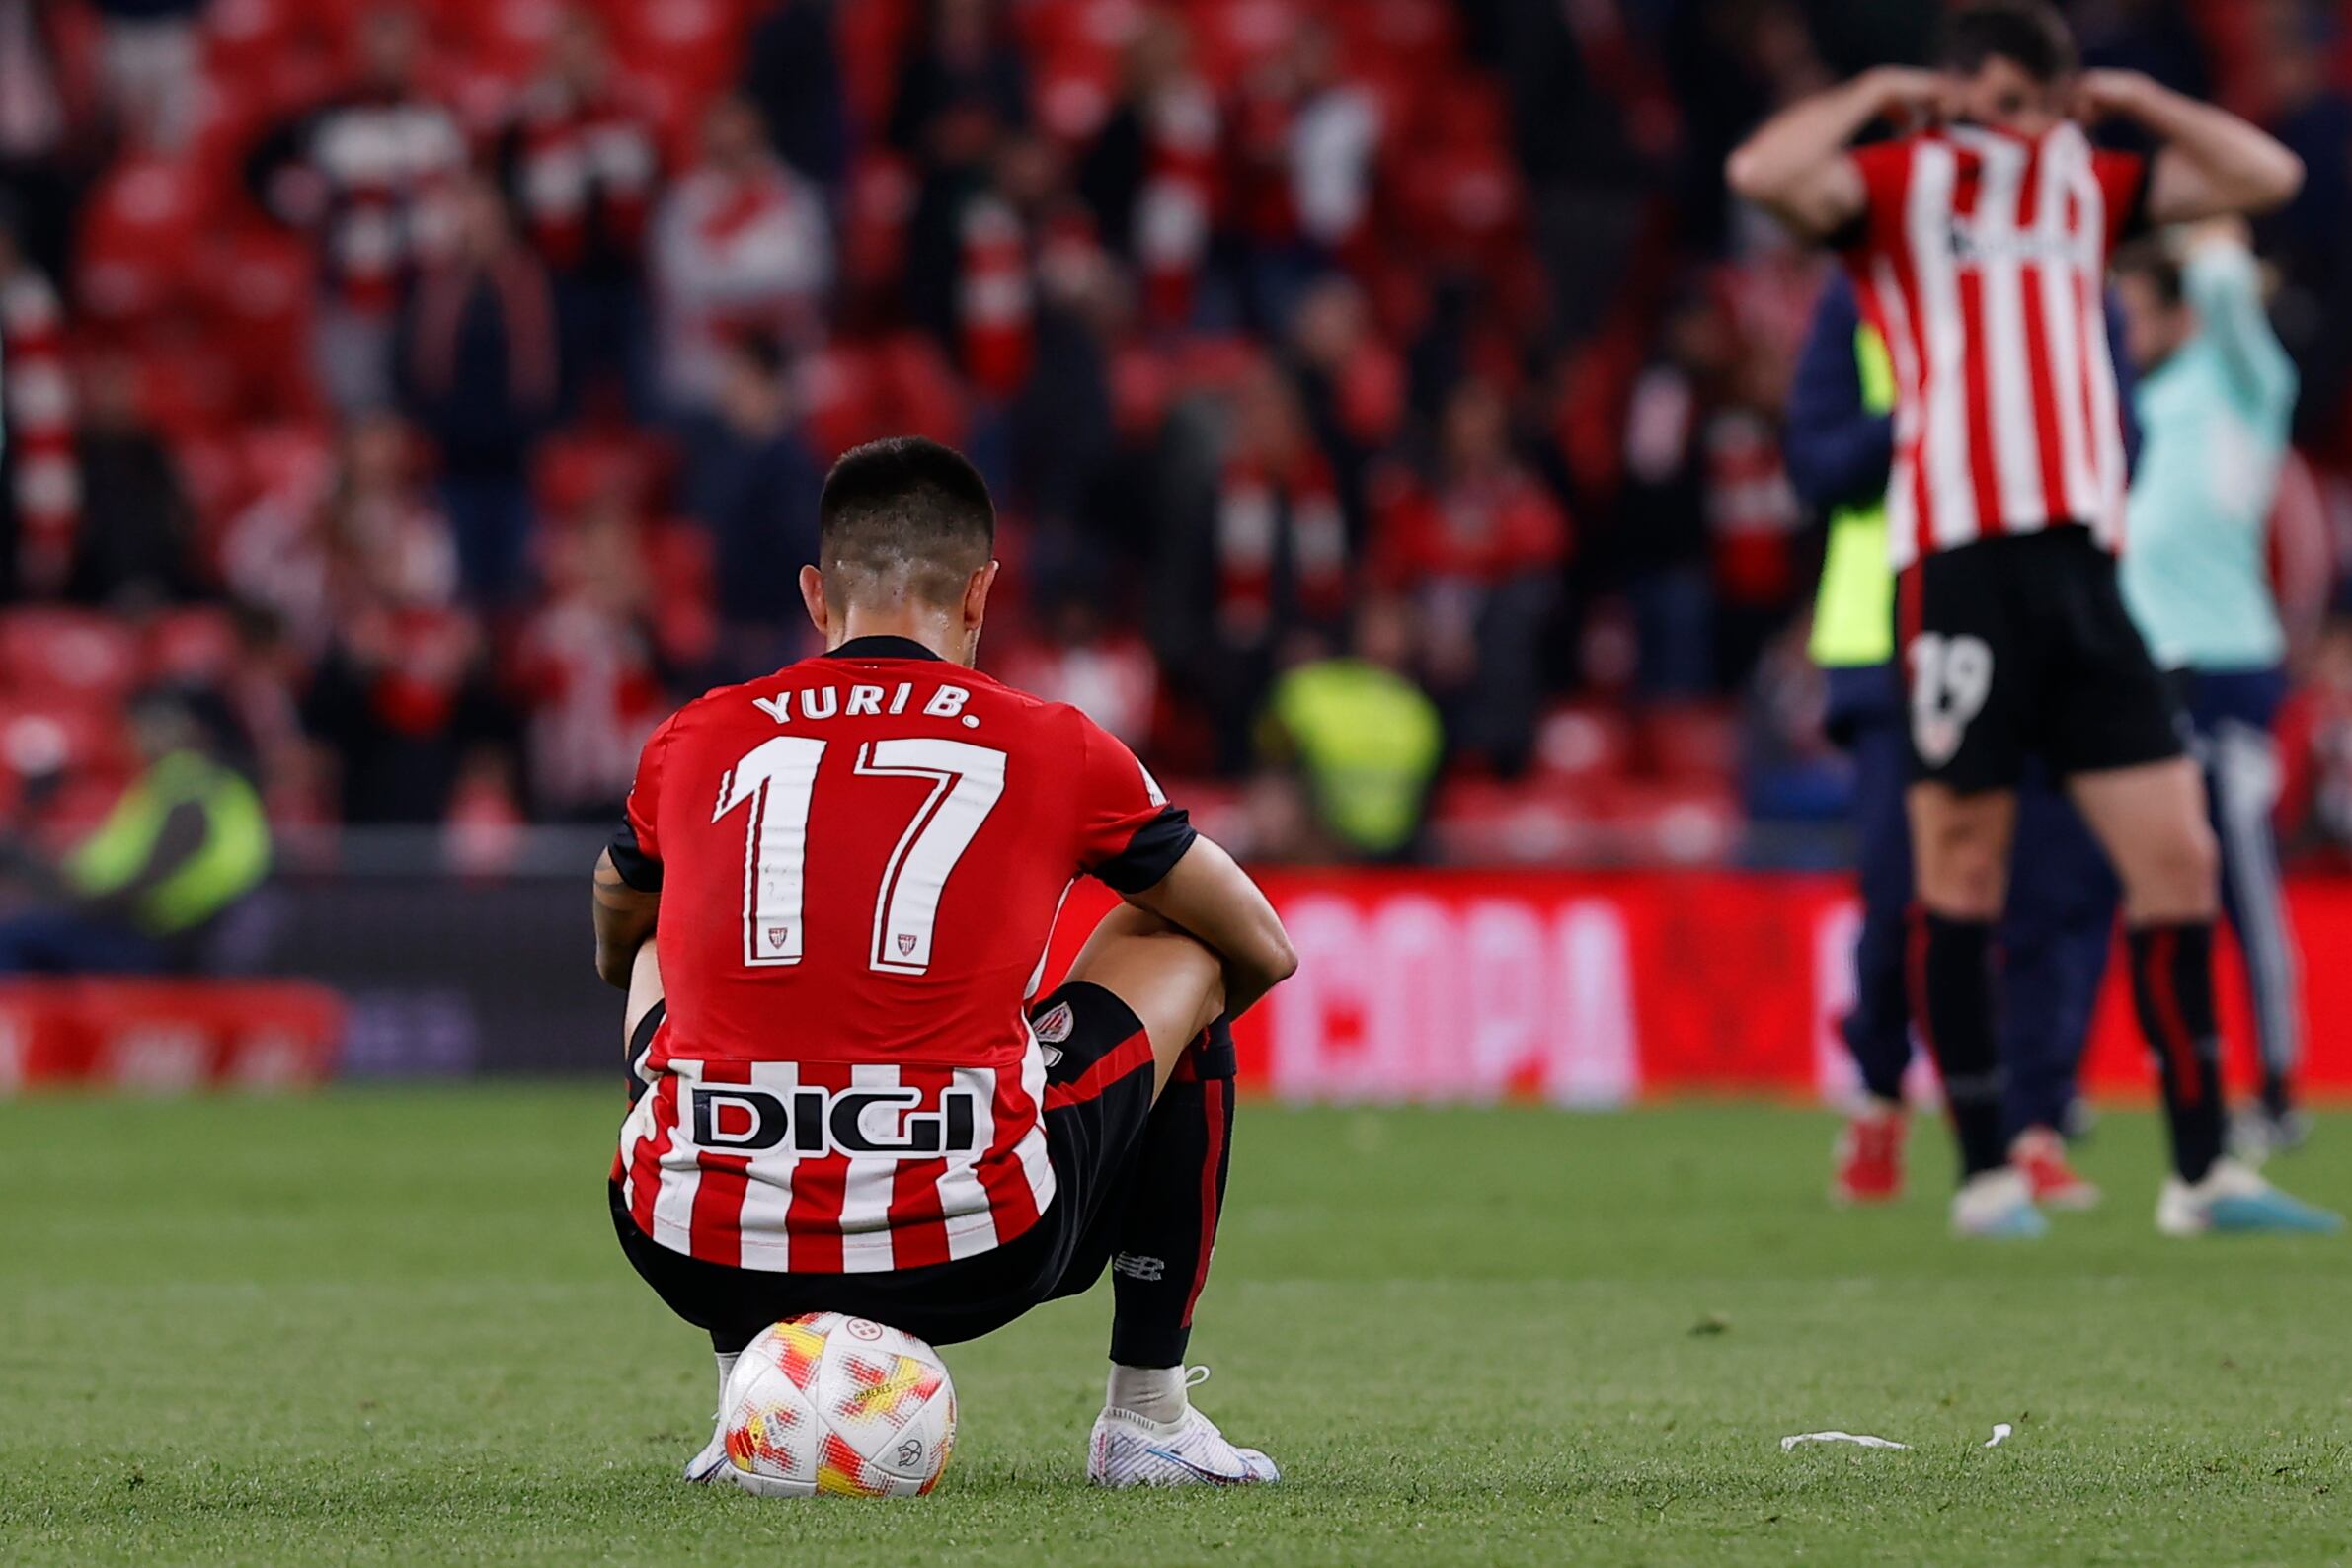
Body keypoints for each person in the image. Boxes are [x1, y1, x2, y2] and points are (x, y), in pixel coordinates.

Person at [1728, 0, 2339, 1236]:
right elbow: (1761, 171)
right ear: (1953, 98)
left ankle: (2204, 1169)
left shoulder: (2090, 186)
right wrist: (1885, 89)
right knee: (1962, 868)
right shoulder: (1897, 182)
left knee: (2179, 858)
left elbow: (2268, 172)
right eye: (1995, 106)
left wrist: (2140, 102)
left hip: (2084, 571)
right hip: (1959, 567)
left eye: (2036, 106)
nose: (2018, 132)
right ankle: (1989, 1169)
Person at [592, 436, 1297, 1489]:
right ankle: (1148, 1420)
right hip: (968, 1250)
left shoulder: (696, 735)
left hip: (695, 1247)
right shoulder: (1052, 741)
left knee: (663, 943)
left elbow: (615, 926)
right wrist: (1070, 1072)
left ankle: (758, 1392)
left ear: (812, 593)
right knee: (1180, 946)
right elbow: (1260, 940)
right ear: (980, 593)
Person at [1788, 270, 2123, 1210]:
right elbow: (1817, 468)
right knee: (1905, 891)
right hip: (1886, 634)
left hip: (2035, 628)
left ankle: (2030, 1124)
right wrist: (1936, 412)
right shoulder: (1855, 297)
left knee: (2041, 893)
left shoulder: (2071, 285)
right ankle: (1881, 1096)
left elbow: (2119, 443)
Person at [2113, 223, 2308, 1155]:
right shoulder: (2135, 403)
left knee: (2241, 881)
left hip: (2227, 665)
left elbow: (2228, 284)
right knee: (2156, 886)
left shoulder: (2242, 385)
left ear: (2181, 313)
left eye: (2136, 313)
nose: (2123, 330)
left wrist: (2208, 228)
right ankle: (2184, 1081)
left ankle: (2275, 1088)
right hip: (2147, 667)